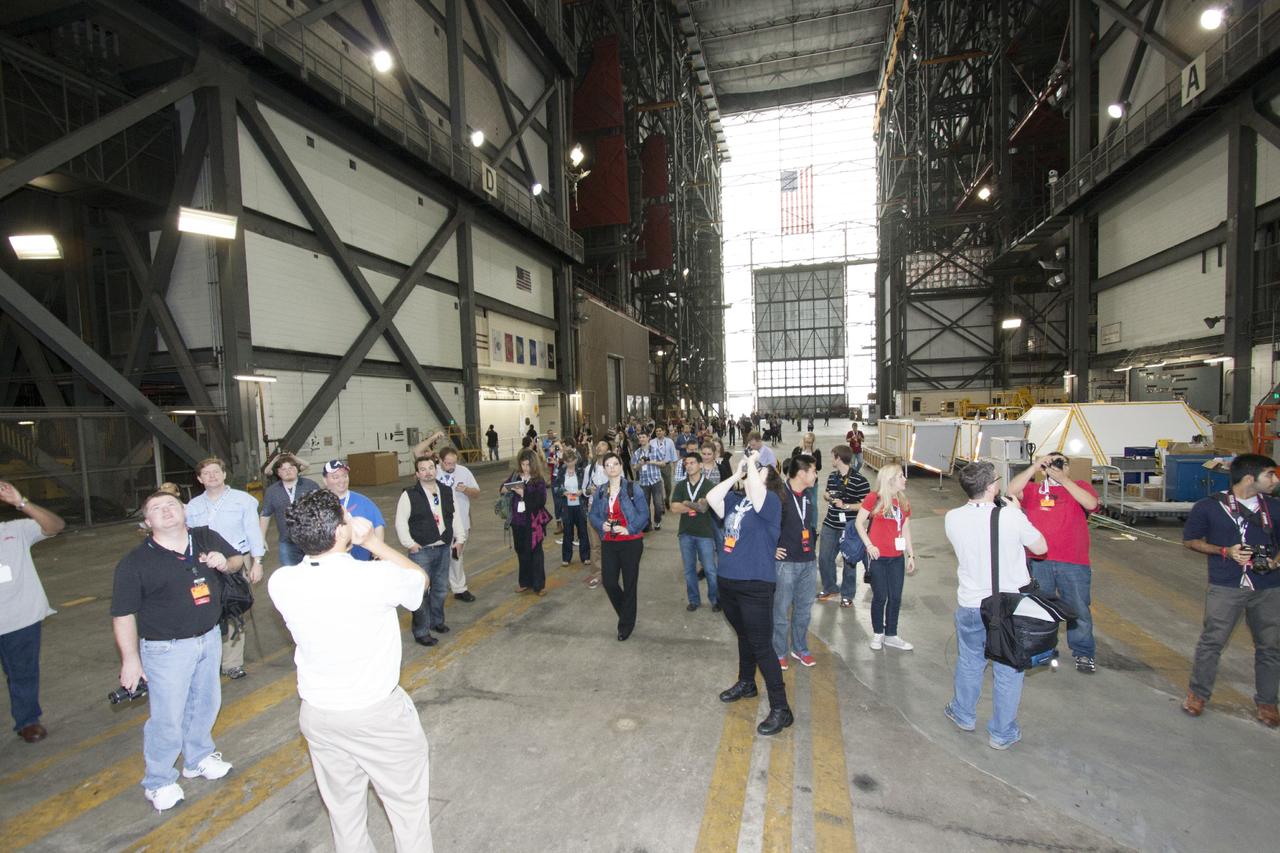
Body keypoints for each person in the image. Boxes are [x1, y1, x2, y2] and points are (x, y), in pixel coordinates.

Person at [268, 490, 435, 852]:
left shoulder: (281, 582)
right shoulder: (374, 577)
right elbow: (419, 580)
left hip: (319, 714)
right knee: (407, 808)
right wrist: (373, 541)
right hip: (376, 714)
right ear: (341, 533)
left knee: (344, 812)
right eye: (345, 518)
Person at [111, 490, 242, 811]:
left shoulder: (205, 537)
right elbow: (123, 614)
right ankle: (158, 780)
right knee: (167, 718)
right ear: (147, 522)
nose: (166, 510)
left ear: (184, 510)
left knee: (207, 702)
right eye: (156, 508)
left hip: (210, 637)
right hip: (165, 649)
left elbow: (238, 559)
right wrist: (130, 660)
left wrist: (225, 563)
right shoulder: (135, 563)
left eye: (171, 504)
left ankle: (197, 758)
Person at [942, 461, 1047, 750]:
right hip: (1008, 606)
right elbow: (1040, 548)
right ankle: (1002, 732)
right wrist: (1018, 514)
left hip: (971, 605)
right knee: (1009, 669)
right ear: (991, 487)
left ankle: (963, 713)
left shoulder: (951, 518)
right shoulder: (1010, 518)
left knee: (970, 660)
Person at [1181, 453, 1280, 727]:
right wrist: (1223, 551)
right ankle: (1198, 694)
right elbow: (1190, 541)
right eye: (1270, 474)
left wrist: (1275, 561)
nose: (1274, 480)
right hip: (1226, 585)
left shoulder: (1274, 507)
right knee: (1212, 642)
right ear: (1250, 478)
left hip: (1268, 586)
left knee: (1270, 646)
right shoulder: (1209, 507)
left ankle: (1268, 702)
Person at [708, 449, 792, 735]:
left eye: (760, 471)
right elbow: (711, 498)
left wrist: (755, 462)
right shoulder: (735, 499)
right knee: (744, 636)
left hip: (756, 585)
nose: (751, 475)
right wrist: (736, 473)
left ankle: (782, 708)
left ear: (768, 478)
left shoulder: (770, 505)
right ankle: (747, 683)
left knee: (762, 645)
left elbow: (757, 491)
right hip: (728, 582)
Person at [1007, 451, 1100, 673]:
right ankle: (1046, 648)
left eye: (1062, 464)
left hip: (1073, 561)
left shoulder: (1079, 486)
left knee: (1079, 609)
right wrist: (1035, 466)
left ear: (1068, 468)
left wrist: (1063, 480)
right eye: (1052, 464)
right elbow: (1011, 490)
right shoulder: (1033, 490)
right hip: (1040, 561)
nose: (1057, 467)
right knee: (1042, 608)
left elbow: (1091, 504)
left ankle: (1083, 652)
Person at [185, 458, 266, 681]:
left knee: (234, 609)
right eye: (206, 473)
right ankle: (209, 661)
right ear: (200, 479)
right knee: (206, 609)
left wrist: (257, 562)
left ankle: (232, 663)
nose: (212, 476)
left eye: (216, 472)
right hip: (204, 565)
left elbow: (253, 531)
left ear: (224, 474)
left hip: (236, 560)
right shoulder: (193, 507)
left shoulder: (243, 501)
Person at [0, 480, 65, 743]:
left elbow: (55, 526)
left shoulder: (15, 530)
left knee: (22, 672)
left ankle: (27, 720)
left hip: (20, 618)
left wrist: (21, 502)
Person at [395, 455, 457, 648]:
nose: (428, 471)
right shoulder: (409, 495)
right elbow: (400, 522)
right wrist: (410, 544)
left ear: (436, 469)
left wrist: (459, 537)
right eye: (423, 469)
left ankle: (436, 621)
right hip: (421, 551)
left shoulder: (446, 491)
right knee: (421, 592)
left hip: (443, 547)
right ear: (417, 474)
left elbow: (453, 517)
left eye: (431, 467)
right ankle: (421, 631)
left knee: (440, 589)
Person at [587, 452, 650, 640]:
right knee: (610, 582)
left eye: (615, 464)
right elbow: (593, 515)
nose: (612, 467)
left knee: (630, 583)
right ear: (604, 469)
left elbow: (644, 514)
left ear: (622, 466)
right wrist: (601, 525)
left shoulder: (633, 488)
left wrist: (629, 529)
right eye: (608, 465)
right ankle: (627, 613)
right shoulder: (600, 491)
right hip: (610, 541)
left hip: (631, 542)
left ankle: (625, 625)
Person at [855, 464, 916, 651]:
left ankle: (891, 634)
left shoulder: (903, 502)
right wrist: (869, 545)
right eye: (900, 476)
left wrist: (911, 554)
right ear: (890, 479)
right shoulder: (874, 498)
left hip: (896, 557)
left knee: (895, 597)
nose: (904, 479)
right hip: (877, 558)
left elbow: (905, 529)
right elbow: (858, 523)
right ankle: (878, 633)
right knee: (880, 596)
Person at [773, 454, 820, 670]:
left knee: (804, 610)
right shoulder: (778, 495)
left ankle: (799, 648)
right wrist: (772, 548)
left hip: (808, 561)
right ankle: (779, 651)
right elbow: (764, 525)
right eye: (813, 471)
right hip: (786, 564)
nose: (816, 475)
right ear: (801, 473)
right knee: (781, 611)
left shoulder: (808, 495)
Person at [817, 446, 870, 607]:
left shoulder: (860, 480)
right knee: (824, 558)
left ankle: (847, 594)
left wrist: (846, 505)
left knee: (849, 561)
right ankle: (830, 587)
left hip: (850, 528)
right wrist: (827, 496)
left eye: (833, 456)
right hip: (830, 523)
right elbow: (827, 492)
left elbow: (866, 505)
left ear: (839, 458)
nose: (831, 460)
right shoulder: (833, 476)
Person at [671, 451, 719, 612]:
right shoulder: (681, 485)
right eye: (686, 463)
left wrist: (685, 503)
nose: (689, 466)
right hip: (685, 533)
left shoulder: (709, 486)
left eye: (692, 463)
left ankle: (715, 599)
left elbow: (705, 508)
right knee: (689, 570)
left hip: (705, 533)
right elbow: (674, 507)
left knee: (710, 569)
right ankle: (694, 600)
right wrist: (692, 505)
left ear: (700, 465)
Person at [259, 453, 321, 568]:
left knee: (315, 575)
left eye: (291, 467)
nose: (288, 471)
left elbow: (321, 510)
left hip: (312, 540)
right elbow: (265, 515)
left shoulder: (311, 485)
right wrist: (261, 538)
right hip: (287, 542)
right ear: (278, 473)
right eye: (283, 469)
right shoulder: (272, 492)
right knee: (290, 577)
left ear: (297, 469)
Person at [437, 447, 481, 604]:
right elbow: (418, 452)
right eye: (448, 463)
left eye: (454, 463)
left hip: (461, 523)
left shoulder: (464, 472)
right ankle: (438, 588)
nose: (451, 466)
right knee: (438, 558)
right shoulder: (432, 472)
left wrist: (466, 490)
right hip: (439, 524)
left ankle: (459, 588)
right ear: (440, 461)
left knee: (457, 556)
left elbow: (477, 493)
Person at [505, 449, 551, 595]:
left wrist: (523, 493)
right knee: (521, 552)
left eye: (528, 464)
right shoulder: (515, 476)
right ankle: (524, 582)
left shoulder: (539, 481)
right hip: (517, 522)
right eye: (523, 464)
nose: (525, 467)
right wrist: (507, 489)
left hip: (533, 522)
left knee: (536, 553)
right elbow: (503, 487)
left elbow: (541, 501)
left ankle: (539, 585)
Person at [321, 460, 385, 561]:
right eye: (335, 477)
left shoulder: (363, 501)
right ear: (325, 480)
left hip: (361, 561)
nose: (342, 480)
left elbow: (378, 524)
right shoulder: (320, 504)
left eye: (345, 476)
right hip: (330, 562)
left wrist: (378, 551)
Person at [553, 448, 592, 568]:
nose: (570, 463)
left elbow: (587, 487)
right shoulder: (561, 472)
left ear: (576, 460)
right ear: (564, 461)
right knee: (567, 533)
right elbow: (556, 488)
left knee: (583, 532)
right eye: (568, 461)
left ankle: (585, 557)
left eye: (572, 460)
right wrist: (563, 492)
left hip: (580, 506)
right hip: (567, 507)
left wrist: (582, 491)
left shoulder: (581, 471)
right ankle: (566, 558)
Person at [631, 432, 666, 531]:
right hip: (644, 482)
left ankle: (657, 521)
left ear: (648, 438)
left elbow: (663, 463)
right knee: (645, 505)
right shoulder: (637, 453)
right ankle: (647, 524)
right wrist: (640, 464)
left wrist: (652, 462)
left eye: (643, 437)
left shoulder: (655, 450)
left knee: (658, 504)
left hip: (656, 481)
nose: (641, 439)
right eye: (640, 437)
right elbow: (634, 468)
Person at [790, 433, 823, 525]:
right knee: (797, 502)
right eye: (806, 442)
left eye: (810, 443)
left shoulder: (816, 452)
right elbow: (792, 464)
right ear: (803, 441)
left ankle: (813, 526)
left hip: (812, 482)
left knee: (813, 504)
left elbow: (819, 467)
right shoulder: (797, 450)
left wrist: (813, 461)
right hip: (799, 481)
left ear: (813, 443)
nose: (808, 444)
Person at [652, 425, 678, 506]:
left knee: (668, 486)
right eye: (657, 431)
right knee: (658, 486)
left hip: (666, 466)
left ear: (664, 431)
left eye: (660, 431)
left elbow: (674, 454)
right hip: (655, 466)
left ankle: (667, 498)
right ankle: (661, 505)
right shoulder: (652, 442)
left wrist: (675, 468)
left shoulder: (669, 441)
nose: (658, 432)